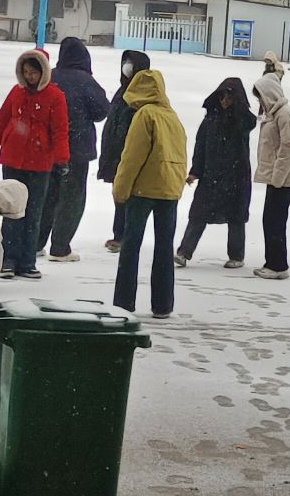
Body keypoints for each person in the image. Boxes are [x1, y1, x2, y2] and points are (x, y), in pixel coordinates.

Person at [0, 49, 68, 280]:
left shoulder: (55, 96)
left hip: (40, 164)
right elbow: (2, 120)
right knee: (12, 211)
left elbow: (60, 130)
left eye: (33, 72)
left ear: (44, 73)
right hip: (13, 160)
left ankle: (27, 262)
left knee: (33, 213)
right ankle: (7, 260)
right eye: (26, 72)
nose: (29, 77)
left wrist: (62, 159)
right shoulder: (16, 92)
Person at [111, 67, 189, 317]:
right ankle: (163, 304)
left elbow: (131, 157)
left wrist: (120, 190)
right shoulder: (172, 117)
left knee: (131, 246)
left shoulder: (144, 115)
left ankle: (124, 302)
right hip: (169, 190)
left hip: (143, 190)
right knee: (165, 248)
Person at [41, 37, 111, 263]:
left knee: (46, 197)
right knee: (71, 199)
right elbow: (102, 111)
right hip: (77, 150)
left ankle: (36, 243)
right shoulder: (86, 81)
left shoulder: (49, 77)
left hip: (48, 148)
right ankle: (60, 247)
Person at [178, 77, 256, 269]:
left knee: (236, 217)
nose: (224, 101)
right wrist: (195, 172)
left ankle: (236, 256)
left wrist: (237, 109)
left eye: (229, 98)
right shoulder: (210, 120)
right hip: (210, 176)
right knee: (198, 215)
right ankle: (184, 252)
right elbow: (200, 147)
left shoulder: (242, 120)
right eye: (222, 97)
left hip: (236, 176)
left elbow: (249, 122)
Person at [98, 48, 153, 251]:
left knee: (130, 197)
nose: (127, 67)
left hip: (132, 152)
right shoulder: (122, 91)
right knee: (119, 194)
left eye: (131, 63)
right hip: (117, 152)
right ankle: (120, 234)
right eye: (125, 63)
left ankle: (124, 237)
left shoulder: (144, 94)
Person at [253, 73, 290, 279]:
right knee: (272, 219)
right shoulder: (275, 115)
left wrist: (277, 178)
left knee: (274, 220)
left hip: (284, 179)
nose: (260, 101)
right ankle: (274, 263)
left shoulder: (285, 116)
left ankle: (277, 265)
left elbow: (289, 149)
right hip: (279, 178)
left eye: (261, 97)